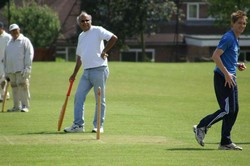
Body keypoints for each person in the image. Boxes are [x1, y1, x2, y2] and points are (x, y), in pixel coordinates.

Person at [193, 10, 248, 150]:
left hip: (230, 78)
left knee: (234, 111)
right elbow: (215, 56)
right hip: (223, 78)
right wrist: (227, 74)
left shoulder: (235, 38)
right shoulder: (228, 37)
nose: (242, 25)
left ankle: (225, 142)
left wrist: (237, 65)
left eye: (244, 23)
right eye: (239, 23)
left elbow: (226, 58)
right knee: (226, 110)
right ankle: (201, 126)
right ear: (233, 23)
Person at [64, 11, 118, 133]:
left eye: (87, 20)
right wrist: (74, 74)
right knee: (78, 97)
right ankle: (78, 126)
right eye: (82, 21)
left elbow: (113, 38)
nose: (85, 22)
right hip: (86, 72)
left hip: (100, 69)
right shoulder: (81, 36)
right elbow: (79, 57)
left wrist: (104, 51)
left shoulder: (98, 30)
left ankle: (98, 125)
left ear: (91, 21)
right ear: (79, 23)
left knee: (99, 99)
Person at [4, 23, 34, 112]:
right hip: (11, 70)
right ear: (10, 32)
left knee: (23, 87)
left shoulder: (25, 40)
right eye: (12, 31)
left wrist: (28, 68)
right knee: (14, 87)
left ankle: (25, 106)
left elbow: (29, 54)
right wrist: (6, 70)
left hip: (21, 69)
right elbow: (6, 57)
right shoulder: (9, 42)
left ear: (19, 30)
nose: (14, 32)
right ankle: (16, 106)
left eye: (15, 30)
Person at [0, 22, 11, 101]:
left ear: (2, 28)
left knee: (3, 79)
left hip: (4, 62)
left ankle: (4, 94)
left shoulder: (7, 37)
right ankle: (4, 95)